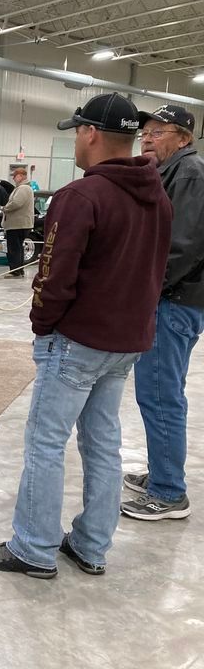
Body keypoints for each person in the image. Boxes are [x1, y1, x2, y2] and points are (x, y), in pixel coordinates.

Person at [0, 93, 172, 578]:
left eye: (77, 133)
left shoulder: (80, 197)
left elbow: (55, 276)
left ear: (90, 133)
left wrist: (44, 325)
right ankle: (90, 545)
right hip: (127, 342)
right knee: (103, 444)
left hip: (77, 341)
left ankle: (34, 548)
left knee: (46, 441)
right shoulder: (158, 197)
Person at [121, 104, 204, 521]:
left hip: (172, 302)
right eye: (145, 132)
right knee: (163, 392)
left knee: (159, 395)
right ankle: (161, 472)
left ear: (184, 138)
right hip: (177, 300)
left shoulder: (188, 174)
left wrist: (145, 290)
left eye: (158, 132)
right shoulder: (173, 172)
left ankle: (169, 492)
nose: (147, 138)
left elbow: (183, 246)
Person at [1, 167, 34, 277]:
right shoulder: (25, 188)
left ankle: (15, 271)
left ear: (20, 176)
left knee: (14, 248)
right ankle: (19, 270)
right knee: (18, 247)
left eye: (14, 176)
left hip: (17, 225)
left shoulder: (23, 188)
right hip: (21, 224)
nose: (14, 179)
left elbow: (16, 203)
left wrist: (5, 208)